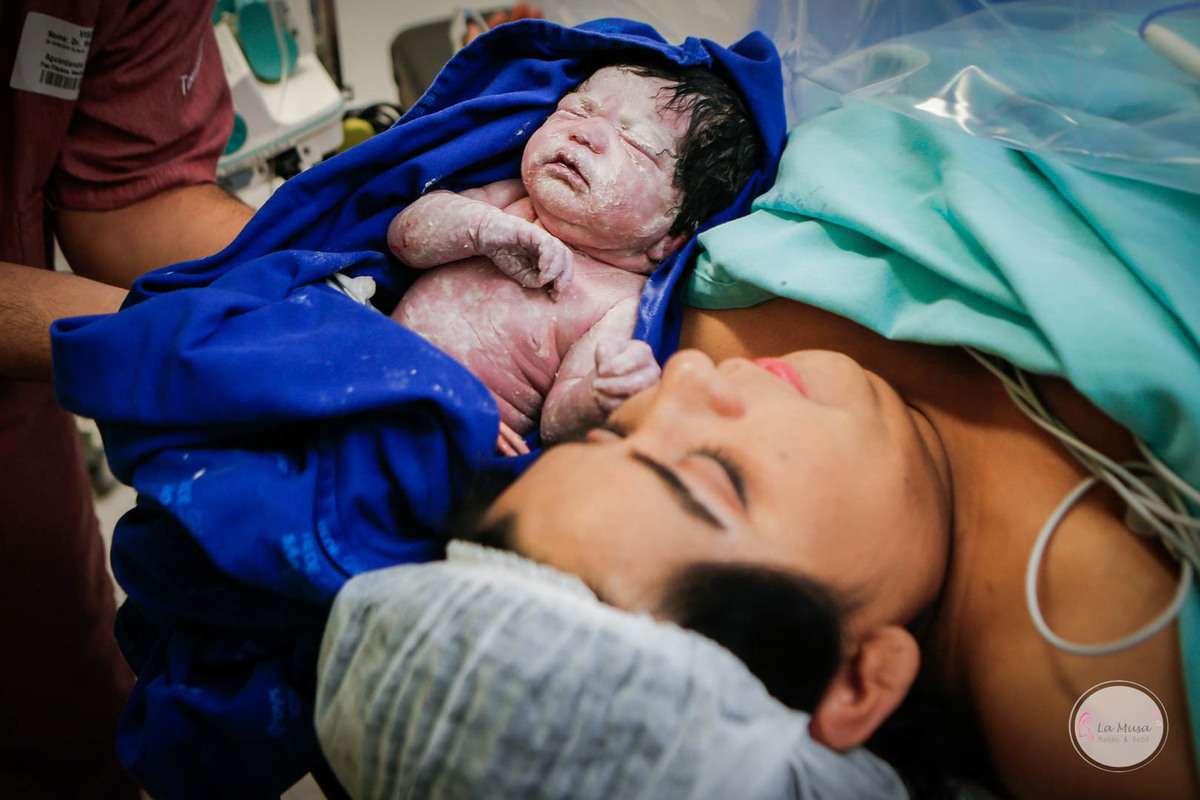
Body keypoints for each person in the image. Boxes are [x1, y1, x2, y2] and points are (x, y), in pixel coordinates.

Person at [465, 300, 1200, 799]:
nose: (681, 377)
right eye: (714, 475)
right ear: (855, 679)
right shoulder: (1101, 709)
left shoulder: (714, 325)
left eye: (617, 433)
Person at [1, 2, 253, 797]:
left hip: (16, 424)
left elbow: (129, 192)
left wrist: (325, 269)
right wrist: (177, 337)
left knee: (70, 728)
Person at [387, 57, 762, 452]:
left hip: (448, 429)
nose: (587, 132)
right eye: (576, 109)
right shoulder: (512, 200)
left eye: (638, 145)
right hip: (370, 356)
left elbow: (555, 424)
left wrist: (600, 394)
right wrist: (482, 231)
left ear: (670, 238)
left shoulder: (616, 305)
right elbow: (402, 240)